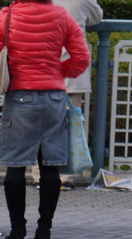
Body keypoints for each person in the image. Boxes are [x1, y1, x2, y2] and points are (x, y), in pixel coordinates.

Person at [0, 0, 89, 239]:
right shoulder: (61, 16)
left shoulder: (7, 16)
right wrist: (58, 71)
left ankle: (17, 230)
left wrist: (8, 76)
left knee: (15, 166)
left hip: (20, 95)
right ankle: (44, 230)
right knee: (50, 166)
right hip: (53, 97)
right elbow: (82, 56)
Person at [30, 0, 102, 191]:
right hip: (69, 71)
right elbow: (97, 17)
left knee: (39, 124)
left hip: (39, 68)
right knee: (69, 125)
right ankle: (65, 175)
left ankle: (39, 174)